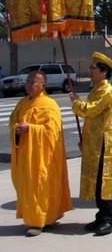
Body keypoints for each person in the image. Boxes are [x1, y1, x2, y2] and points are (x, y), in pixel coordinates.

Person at [10, 70, 72, 237]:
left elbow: (52, 131)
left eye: (33, 82)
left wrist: (30, 128)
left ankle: (38, 222)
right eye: (28, 82)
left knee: (40, 186)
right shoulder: (23, 102)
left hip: (43, 156)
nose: (29, 85)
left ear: (42, 85)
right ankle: (40, 217)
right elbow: (13, 120)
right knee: (28, 187)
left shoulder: (49, 104)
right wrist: (17, 127)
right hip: (26, 153)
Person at [70, 52, 112, 236]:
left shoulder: (106, 90)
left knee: (104, 180)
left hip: (104, 142)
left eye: (93, 68)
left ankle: (111, 219)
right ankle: (102, 215)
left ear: (103, 71)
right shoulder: (97, 88)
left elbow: (90, 110)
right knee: (97, 180)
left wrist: (76, 103)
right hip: (95, 141)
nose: (90, 70)